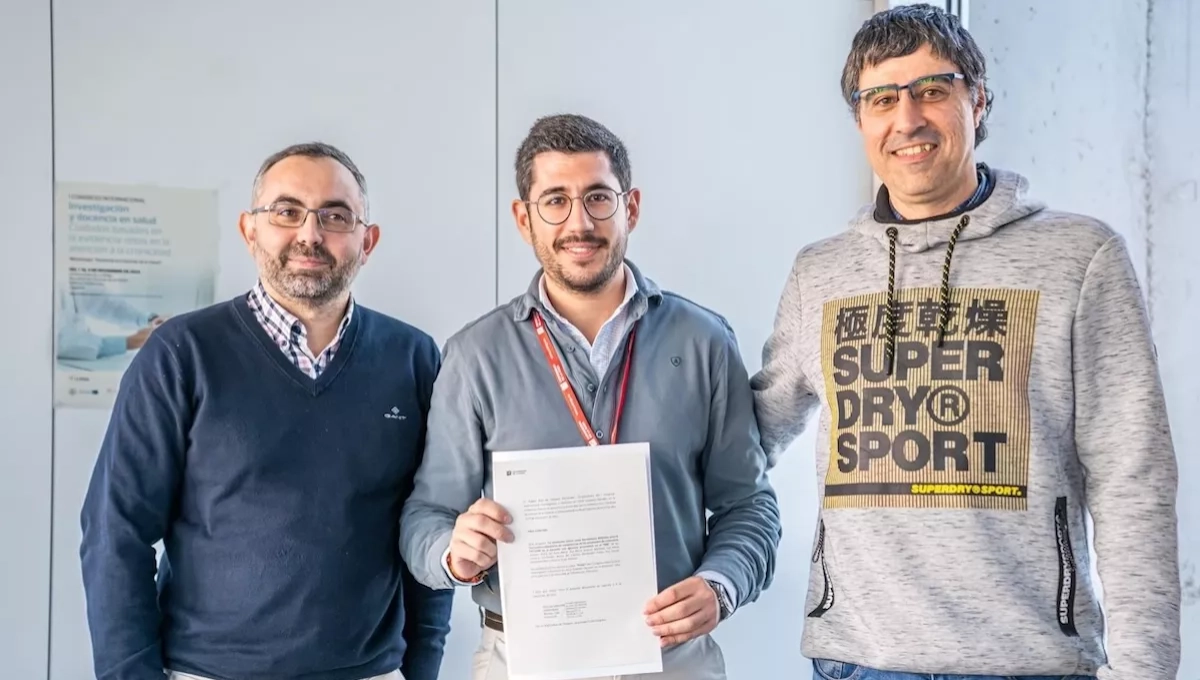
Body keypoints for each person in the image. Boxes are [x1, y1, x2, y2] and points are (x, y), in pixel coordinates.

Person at [750, 5, 1181, 680]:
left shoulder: (1079, 257)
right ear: (861, 120)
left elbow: (1134, 477)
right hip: (859, 663)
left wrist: (1145, 670)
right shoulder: (820, 273)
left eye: (932, 89)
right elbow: (747, 437)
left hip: (1028, 664)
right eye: (882, 99)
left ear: (978, 101)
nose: (907, 119)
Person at [399, 113, 781, 680]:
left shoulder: (703, 341)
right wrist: (453, 553)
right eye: (555, 201)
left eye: (598, 197)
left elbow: (749, 505)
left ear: (631, 208)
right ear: (523, 219)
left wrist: (722, 585)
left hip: (672, 658)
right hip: (522, 662)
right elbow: (425, 518)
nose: (579, 223)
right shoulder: (474, 355)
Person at [79, 142, 454, 680]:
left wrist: (422, 668)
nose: (310, 233)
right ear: (249, 229)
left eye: (335, 216)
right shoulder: (182, 354)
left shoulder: (412, 357)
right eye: (286, 211)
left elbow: (431, 520)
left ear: (367, 241)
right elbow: (115, 530)